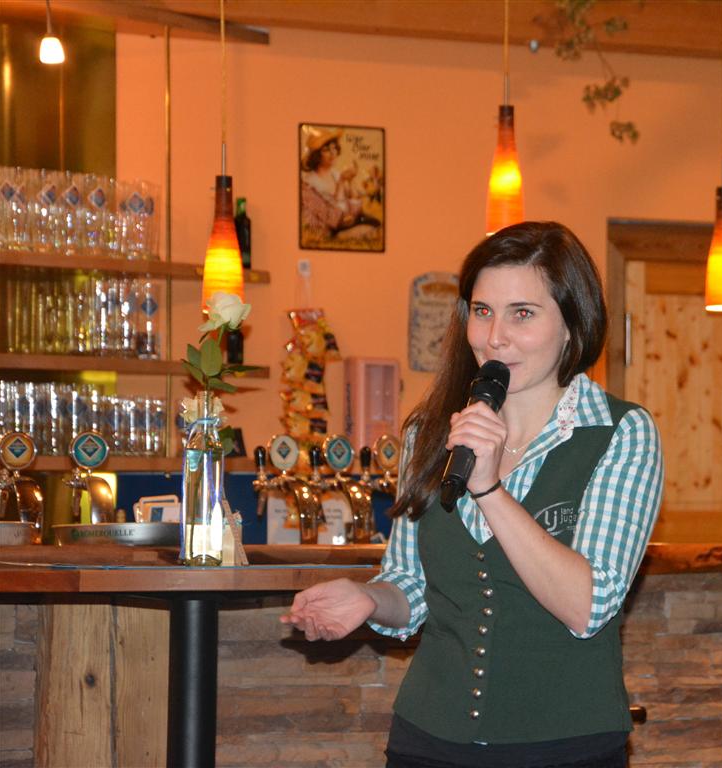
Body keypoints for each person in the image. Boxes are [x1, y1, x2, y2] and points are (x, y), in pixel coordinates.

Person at [282, 221, 665, 767]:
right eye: (482, 311)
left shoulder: (620, 433)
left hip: (562, 746)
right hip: (428, 739)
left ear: (572, 324)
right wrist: (369, 598)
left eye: (522, 313)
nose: (495, 337)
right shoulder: (430, 431)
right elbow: (411, 586)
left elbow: (588, 606)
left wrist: (489, 488)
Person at [299, 127, 379, 240]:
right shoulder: (309, 183)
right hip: (328, 227)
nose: (333, 153)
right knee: (368, 227)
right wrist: (341, 182)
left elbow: (355, 207)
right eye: (326, 149)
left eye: (334, 148)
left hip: (344, 221)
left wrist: (350, 181)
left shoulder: (335, 174)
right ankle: (342, 236)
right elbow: (335, 218)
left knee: (374, 222)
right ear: (316, 155)